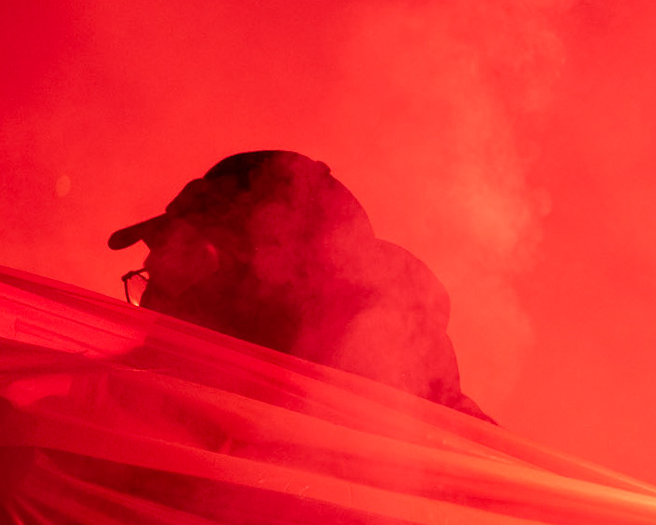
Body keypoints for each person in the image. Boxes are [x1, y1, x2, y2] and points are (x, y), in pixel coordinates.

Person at [108, 150, 490, 420]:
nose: (156, 306)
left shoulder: (437, 472)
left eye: (189, 259)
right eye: (150, 282)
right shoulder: (133, 407)